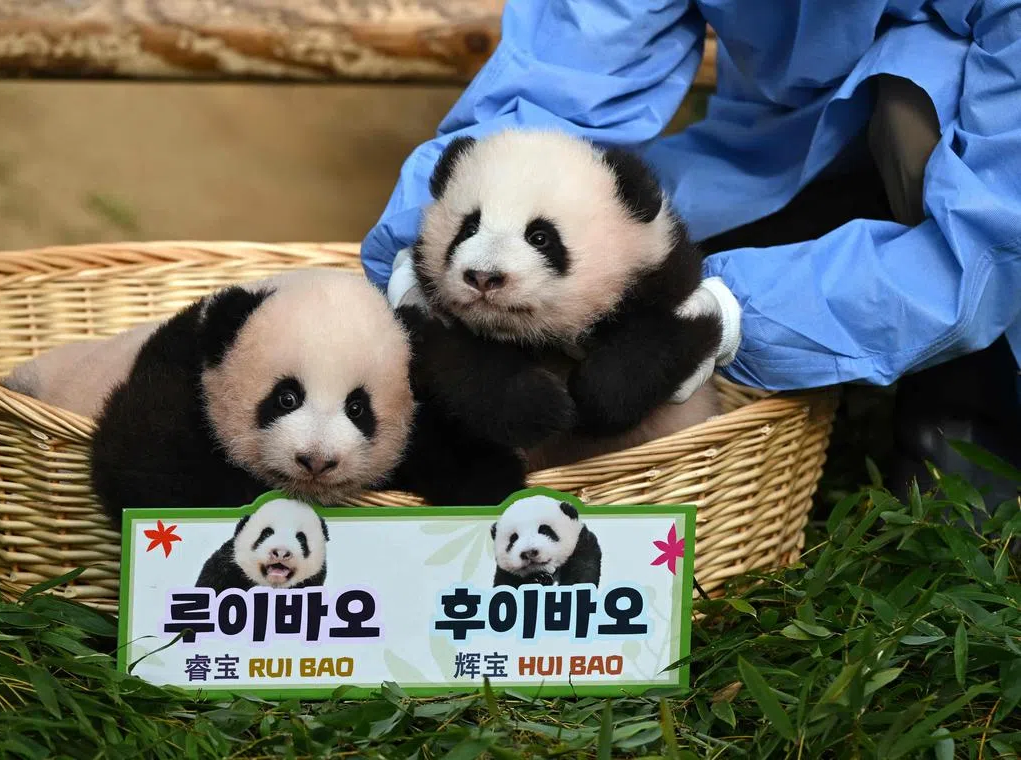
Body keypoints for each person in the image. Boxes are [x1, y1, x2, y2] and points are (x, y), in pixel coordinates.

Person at [360, 0, 1021, 512]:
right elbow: (562, 80)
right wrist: (421, 249)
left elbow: (994, 236)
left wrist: (735, 317)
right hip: (778, 150)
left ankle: (972, 426)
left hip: (975, 165)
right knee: (631, 238)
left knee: (913, 118)